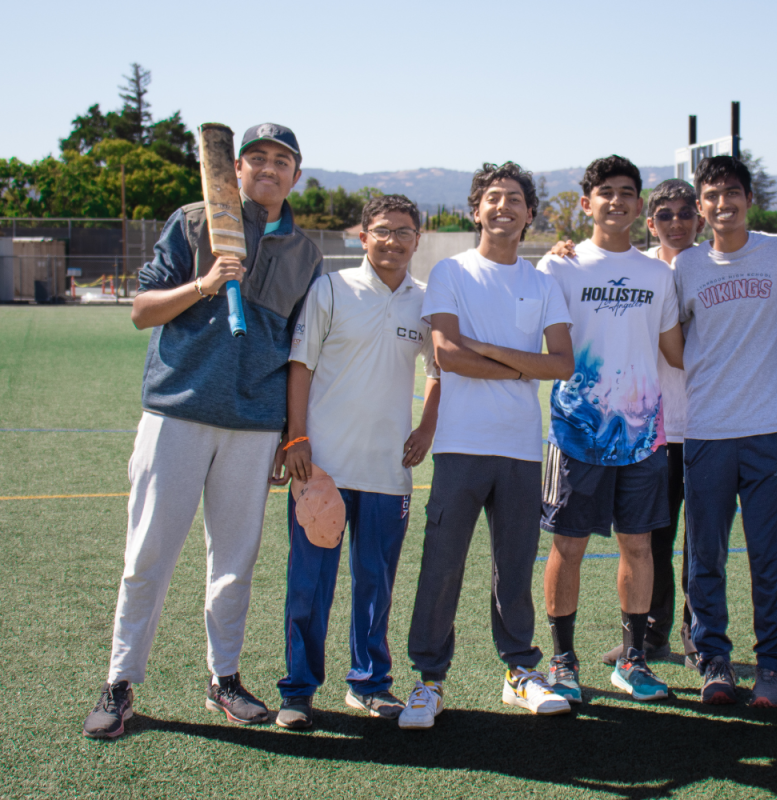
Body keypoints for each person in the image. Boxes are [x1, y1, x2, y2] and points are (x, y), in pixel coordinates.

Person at [83, 124, 321, 738]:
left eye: (282, 161)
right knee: (148, 557)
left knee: (235, 562)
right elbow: (142, 312)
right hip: (177, 413)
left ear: (296, 175)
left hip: (253, 426)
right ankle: (119, 682)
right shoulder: (193, 223)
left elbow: (298, 350)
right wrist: (205, 284)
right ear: (236, 168)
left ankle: (225, 677)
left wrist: (290, 433)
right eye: (257, 158)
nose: (269, 169)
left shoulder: (304, 251)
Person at [399, 162, 575, 729]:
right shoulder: (451, 271)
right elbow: (446, 354)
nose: (503, 206)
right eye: (492, 198)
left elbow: (562, 363)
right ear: (477, 210)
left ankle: (520, 671)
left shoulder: (542, 283)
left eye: (515, 199)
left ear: (530, 213)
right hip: (460, 445)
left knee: (515, 566)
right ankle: (429, 681)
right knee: (442, 565)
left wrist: (487, 351)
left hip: (522, 449)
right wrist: (524, 367)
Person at [274, 194, 441, 729]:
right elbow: (300, 364)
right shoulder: (331, 288)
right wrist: (296, 438)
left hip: (389, 471)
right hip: (322, 469)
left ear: (419, 237)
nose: (394, 240)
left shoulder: (426, 300)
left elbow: (439, 370)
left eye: (405, 231)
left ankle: (368, 684)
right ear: (363, 236)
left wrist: (427, 426)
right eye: (383, 230)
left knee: (376, 585)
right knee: (309, 587)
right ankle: (298, 691)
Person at [537, 157, 684, 704]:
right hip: (576, 433)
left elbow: (676, 351)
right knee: (568, 545)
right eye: (605, 192)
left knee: (639, 546)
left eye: (627, 192)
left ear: (639, 205)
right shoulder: (560, 268)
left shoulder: (658, 275)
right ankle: (563, 661)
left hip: (645, 435)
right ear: (586, 203)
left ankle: (633, 660)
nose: (616, 200)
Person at [674, 155, 777, 708]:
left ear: (750, 199)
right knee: (705, 553)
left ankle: (773, 665)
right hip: (705, 428)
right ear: (700, 208)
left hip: (768, 429)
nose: (722, 203)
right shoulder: (686, 266)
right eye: (712, 196)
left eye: (732, 192)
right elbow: (671, 335)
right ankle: (714, 660)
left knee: (768, 554)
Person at [599, 178, 703, 670]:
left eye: (686, 213)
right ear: (649, 221)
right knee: (651, 540)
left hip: (706, 425)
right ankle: (651, 634)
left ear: (700, 218)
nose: (676, 223)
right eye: (665, 215)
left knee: (702, 542)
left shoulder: (712, 266)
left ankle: (698, 636)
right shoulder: (638, 271)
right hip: (652, 430)